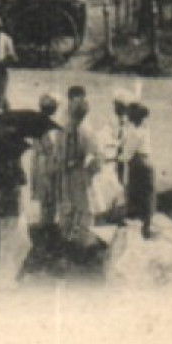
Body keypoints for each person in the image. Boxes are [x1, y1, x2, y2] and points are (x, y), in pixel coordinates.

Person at [59, 87, 105, 258]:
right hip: (68, 173)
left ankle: (84, 243)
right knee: (69, 205)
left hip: (79, 173)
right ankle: (68, 239)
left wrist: (89, 170)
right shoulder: (67, 131)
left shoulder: (86, 132)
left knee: (84, 206)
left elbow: (100, 155)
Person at [30, 93, 66, 247]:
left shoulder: (38, 122)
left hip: (39, 160)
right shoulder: (48, 125)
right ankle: (48, 226)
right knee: (49, 195)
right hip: (47, 160)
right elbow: (50, 147)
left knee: (46, 196)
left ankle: (46, 223)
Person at [0, 155, 29, 289]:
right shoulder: (12, 157)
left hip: (0, 203)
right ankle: (6, 279)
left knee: (6, 240)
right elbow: (22, 179)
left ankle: (3, 276)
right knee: (12, 241)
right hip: (10, 203)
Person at [122, 102, 155, 239]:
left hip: (138, 164)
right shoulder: (144, 128)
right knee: (146, 194)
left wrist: (120, 157)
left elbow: (127, 153)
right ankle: (146, 224)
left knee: (135, 192)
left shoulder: (134, 133)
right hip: (147, 162)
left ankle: (140, 226)